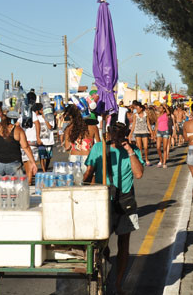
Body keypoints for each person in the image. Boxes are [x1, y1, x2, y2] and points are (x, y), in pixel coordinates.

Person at [83, 120, 144, 295]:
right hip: (103, 200)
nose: (115, 139)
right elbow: (88, 173)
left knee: (124, 243)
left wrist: (130, 151)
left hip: (125, 200)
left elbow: (138, 174)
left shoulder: (132, 150)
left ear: (126, 135)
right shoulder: (98, 148)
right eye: (113, 136)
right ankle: (104, 277)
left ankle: (117, 283)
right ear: (108, 134)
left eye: (120, 136)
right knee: (102, 243)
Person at [0, 109, 37, 177]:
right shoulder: (18, 130)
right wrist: (33, 163)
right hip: (14, 162)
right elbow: (26, 147)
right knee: (15, 185)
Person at [64, 105, 100, 173]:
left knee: (75, 181)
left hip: (73, 157)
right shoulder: (93, 127)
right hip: (88, 157)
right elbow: (98, 146)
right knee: (88, 181)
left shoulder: (69, 129)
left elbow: (67, 147)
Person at [20, 105, 41, 185]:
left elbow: (37, 123)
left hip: (31, 141)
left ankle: (28, 182)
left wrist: (38, 137)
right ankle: (28, 181)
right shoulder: (22, 114)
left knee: (29, 163)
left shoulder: (31, 114)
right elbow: (17, 125)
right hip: (24, 141)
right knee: (26, 162)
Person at [37, 103, 55, 172]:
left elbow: (50, 127)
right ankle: (44, 171)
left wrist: (45, 119)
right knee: (42, 157)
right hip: (41, 141)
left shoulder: (51, 117)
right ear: (40, 111)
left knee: (48, 157)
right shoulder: (37, 118)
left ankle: (46, 168)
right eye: (42, 110)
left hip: (49, 141)